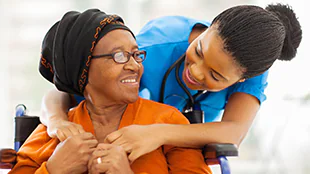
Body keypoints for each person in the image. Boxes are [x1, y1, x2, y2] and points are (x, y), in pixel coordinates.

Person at [40, 3, 302, 162]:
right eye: (198, 51)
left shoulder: (252, 69)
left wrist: (157, 133)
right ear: (210, 28)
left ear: (242, 79)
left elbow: (233, 133)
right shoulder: (153, 48)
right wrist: (57, 121)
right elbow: (62, 91)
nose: (197, 73)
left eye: (216, 76)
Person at [9, 9, 211, 174]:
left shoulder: (167, 122)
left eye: (136, 54)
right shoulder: (52, 132)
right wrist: (54, 169)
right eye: (119, 55)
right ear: (83, 69)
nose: (135, 65)